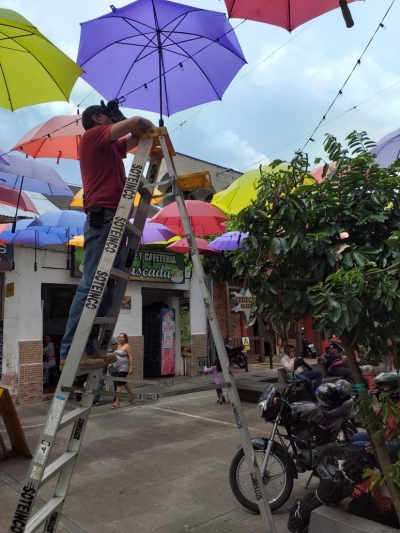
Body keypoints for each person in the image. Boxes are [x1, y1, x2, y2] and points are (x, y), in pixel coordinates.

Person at [59, 101, 155, 371]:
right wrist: (123, 118)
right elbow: (138, 123)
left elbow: (136, 137)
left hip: (117, 220)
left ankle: (89, 348)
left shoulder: (110, 146)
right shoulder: (92, 136)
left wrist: (123, 120)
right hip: (104, 220)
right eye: (108, 116)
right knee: (92, 285)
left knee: (108, 290)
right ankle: (70, 351)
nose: (112, 119)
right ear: (98, 117)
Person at [351, 372, 400, 462]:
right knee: (355, 436)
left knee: (358, 445)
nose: (380, 389)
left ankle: (379, 471)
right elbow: (378, 419)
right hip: (388, 436)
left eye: (385, 386)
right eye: (380, 386)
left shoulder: (397, 406)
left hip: (397, 442)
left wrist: (380, 446)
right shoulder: (389, 403)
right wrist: (369, 400)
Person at [108, 333, 135, 408]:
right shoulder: (118, 346)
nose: (120, 338)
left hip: (123, 367)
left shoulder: (127, 346)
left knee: (118, 383)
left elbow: (130, 357)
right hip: (115, 367)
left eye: (122, 337)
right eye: (119, 337)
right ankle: (132, 397)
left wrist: (131, 367)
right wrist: (110, 363)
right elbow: (114, 355)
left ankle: (117, 402)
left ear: (125, 338)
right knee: (124, 382)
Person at [93, 336, 118, 407]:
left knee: (114, 379)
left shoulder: (112, 338)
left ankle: (117, 397)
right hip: (101, 358)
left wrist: (111, 362)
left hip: (109, 358)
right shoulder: (98, 338)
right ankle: (96, 398)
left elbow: (115, 351)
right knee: (100, 378)